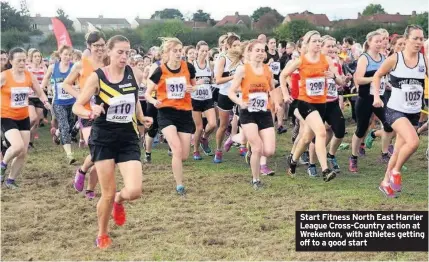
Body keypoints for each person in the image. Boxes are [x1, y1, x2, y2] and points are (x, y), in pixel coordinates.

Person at [72, 35, 152, 248]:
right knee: (106, 193)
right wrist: (91, 111)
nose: (125, 56)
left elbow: (133, 100)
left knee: (134, 191)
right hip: (104, 138)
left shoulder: (135, 74)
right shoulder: (98, 77)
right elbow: (77, 106)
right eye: (120, 52)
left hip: (127, 137)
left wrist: (142, 117)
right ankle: (102, 233)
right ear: (109, 52)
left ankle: (120, 199)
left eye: (128, 52)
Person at [372, 25, 427, 198]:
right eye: (415, 38)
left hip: (413, 112)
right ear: (407, 39)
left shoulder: (424, 61)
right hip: (395, 110)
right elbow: (377, 75)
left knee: (398, 150)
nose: (419, 42)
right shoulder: (395, 59)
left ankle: (385, 182)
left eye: (421, 38)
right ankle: (395, 172)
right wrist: (377, 97)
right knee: (414, 142)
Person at [280, 30, 343, 182]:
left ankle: (293, 161)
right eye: (314, 41)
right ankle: (325, 170)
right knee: (321, 132)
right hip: (305, 102)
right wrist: (284, 93)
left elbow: (340, 81)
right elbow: (283, 75)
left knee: (307, 137)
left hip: (321, 103)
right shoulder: (300, 61)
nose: (317, 44)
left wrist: (333, 76)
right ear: (307, 44)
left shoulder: (326, 60)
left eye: (319, 41)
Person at [146, 37, 199, 195]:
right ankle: (180, 185)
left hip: (184, 113)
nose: (178, 53)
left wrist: (192, 89)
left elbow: (195, 87)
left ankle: (178, 168)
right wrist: (154, 101)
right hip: (166, 112)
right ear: (167, 53)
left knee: (183, 155)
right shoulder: (160, 70)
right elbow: (147, 93)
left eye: (180, 50)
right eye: (174, 51)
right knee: (176, 149)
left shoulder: (188, 67)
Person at [228, 40, 280, 189]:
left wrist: (276, 103)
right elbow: (231, 92)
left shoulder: (267, 70)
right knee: (257, 147)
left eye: (263, 50)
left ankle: (250, 152)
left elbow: (272, 89)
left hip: (264, 112)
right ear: (249, 53)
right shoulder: (243, 70)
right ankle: (256, 180)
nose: (261, 53)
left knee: (269, 151)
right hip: (248, 112)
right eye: (257, 50)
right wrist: (240, 102)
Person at [63, 31, 107, 199]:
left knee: (103, 153)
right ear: (89, 46)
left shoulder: (109, 62)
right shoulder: (81, 65)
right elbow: (66, 84)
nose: (100, 49)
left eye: (102, 45)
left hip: (106, 112)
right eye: (96, 46)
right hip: (87, 113)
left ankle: (89, 188)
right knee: (97, 150)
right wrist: (80, 97)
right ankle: (82, 171)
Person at [0, 47, 51, 188]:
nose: (22, 63)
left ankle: (10, 180)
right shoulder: (4, 76)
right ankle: (2, 165)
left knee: (23, 152)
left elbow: (40, 93)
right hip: (6, 116)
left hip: (23, 117)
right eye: (19, 60)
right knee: (17, 146)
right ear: (11, 61)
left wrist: (46, 103)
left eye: (24, 60)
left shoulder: (29, 76)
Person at [349, 31, 393, 173]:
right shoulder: (364, 58)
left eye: (382, 41)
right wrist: (375, 78)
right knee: (361, 129)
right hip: (365, 98)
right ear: (369, 42)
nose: (380, 44)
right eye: (377, 41)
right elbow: (359, 79)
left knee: (389, 124)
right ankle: (353, 157)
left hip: (379, 97)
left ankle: (384, 154)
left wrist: (385, 83)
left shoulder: (383, 57)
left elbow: (384, 77)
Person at [40, 45, 76, 164]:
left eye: (70, 55)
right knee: (65, 126)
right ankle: (69, 154)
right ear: (60, 55)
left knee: (69, 126)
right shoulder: (52, 67)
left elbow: (81, 80)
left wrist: (77, 87)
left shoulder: (74, 67)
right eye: (65, 54)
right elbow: (45, 80)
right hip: (58, 102)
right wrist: (43, 89)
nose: (67, 57)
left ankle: (56, 132)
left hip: (72, 102)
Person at [213, 34, 242, 163]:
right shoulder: (223, 59)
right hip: (225, 94)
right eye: (234, 45)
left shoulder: (242, 58)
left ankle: (241, 144)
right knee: (223, 125)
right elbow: (218, 80)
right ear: (228, 46)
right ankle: (218, 150)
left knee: (245, 123)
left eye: (239, 45)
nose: (237, 48)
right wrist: (234, 76)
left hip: (239, 94)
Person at [191, 41, 216, 159]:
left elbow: (212, 80)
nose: (204, 53)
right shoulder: (191, 65)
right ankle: (196, 150)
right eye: (202, 51)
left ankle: (204, 138)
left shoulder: (210, 65)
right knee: (199, 128)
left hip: (207, 98)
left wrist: (213, 82)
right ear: (197, 51)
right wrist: (197, 83)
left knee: (213, 124)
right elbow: (187, 84)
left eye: (206, 51)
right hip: (195, 99)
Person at [26, 49, 47, 146]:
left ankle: (30, 142)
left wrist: (46, 87)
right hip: (29, 96)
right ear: (31, 58)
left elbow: (47, 79)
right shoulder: (27, 68)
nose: (38, 58)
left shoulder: (44, 68)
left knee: (37, 122)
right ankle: (23, 133)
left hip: (39, 96)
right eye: (35, 56)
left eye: (39, 56)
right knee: (33, 118)